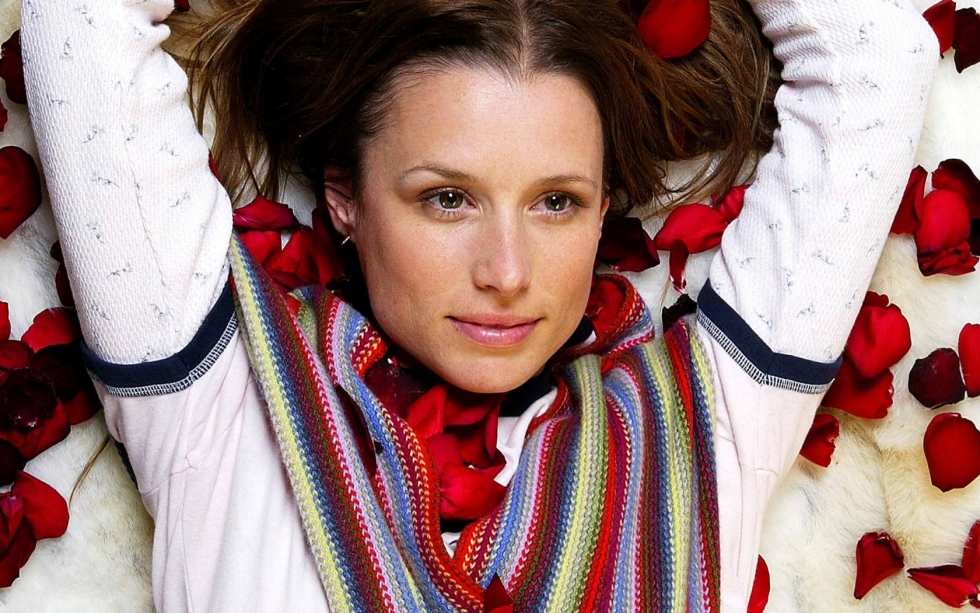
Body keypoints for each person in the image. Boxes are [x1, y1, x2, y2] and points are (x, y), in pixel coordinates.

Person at [20, 0, 937, 611]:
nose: (507, 270)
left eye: (556, 202)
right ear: (344, 198)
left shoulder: (710, 425)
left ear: (604, 209)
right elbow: (80, 18)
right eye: (447, 198)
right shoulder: (221, 406)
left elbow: (880, 61)